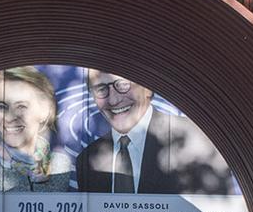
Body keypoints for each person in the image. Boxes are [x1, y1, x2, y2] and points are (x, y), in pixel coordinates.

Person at [75, 72, 231, 194]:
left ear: (147, 88)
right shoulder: (87, 159)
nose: (114, 100)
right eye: (101, 89)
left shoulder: (196, 140)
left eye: (123, 85)